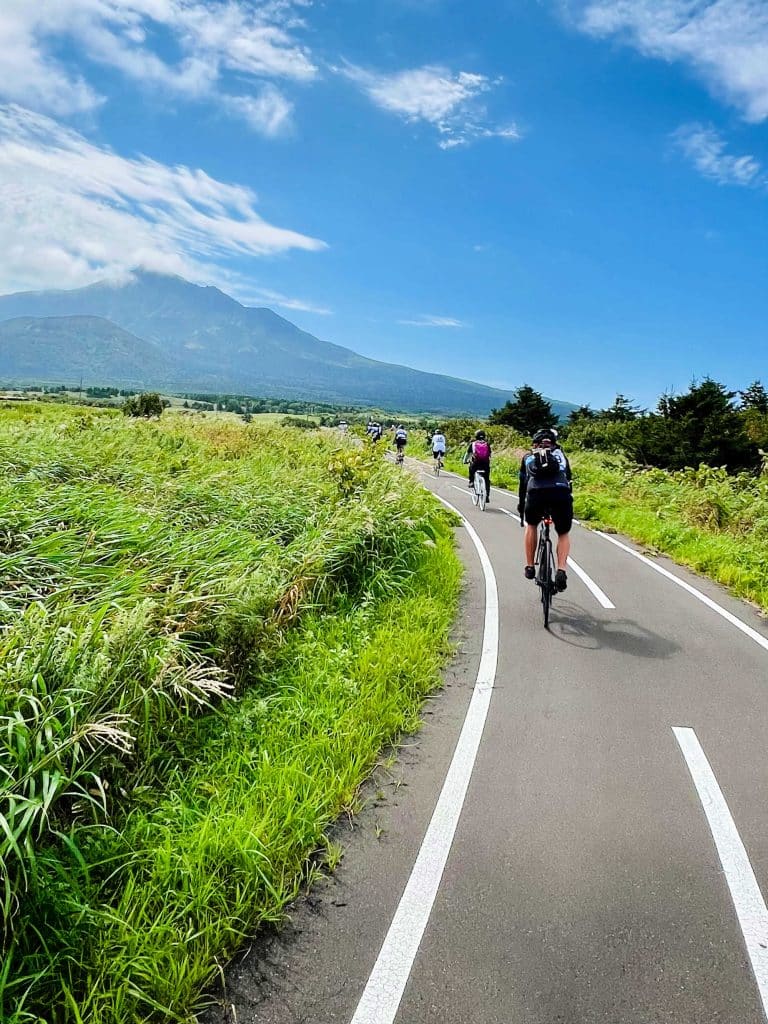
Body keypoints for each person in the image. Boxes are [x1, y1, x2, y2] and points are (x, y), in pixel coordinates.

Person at [518, 427, 573, 591]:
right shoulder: (561, 456)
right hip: (561, 495)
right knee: (563, 533)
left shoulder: (529, 457)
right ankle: (561, 569)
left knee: (532, 525)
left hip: (536, 495)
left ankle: (529, 566)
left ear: (535, 444)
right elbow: (568, 480)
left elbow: (523, 483)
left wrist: (522, 506)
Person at [464, 429, 491, 501]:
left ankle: (471, 482)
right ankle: (487, 495)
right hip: (485, 464)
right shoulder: (487, 444)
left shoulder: (473, 444)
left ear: (476, 436)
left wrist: (465, 461)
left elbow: (467, 454)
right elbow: (489, 454)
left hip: (476, 463)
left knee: (471, 468)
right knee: (487, 479)